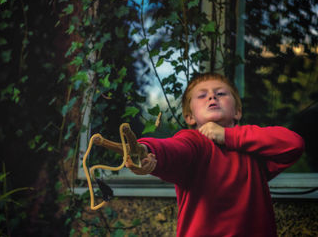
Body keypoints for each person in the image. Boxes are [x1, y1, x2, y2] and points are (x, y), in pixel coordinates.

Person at [127, 72, 304, 237]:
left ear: (237, 112)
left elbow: (293, 144)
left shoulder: (254, 152)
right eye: (202, 95)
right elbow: (173, 149)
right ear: (190, 117)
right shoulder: (194, 142)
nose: (212, 96)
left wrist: (227, 135)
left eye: (221, 93)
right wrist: (146, 150)